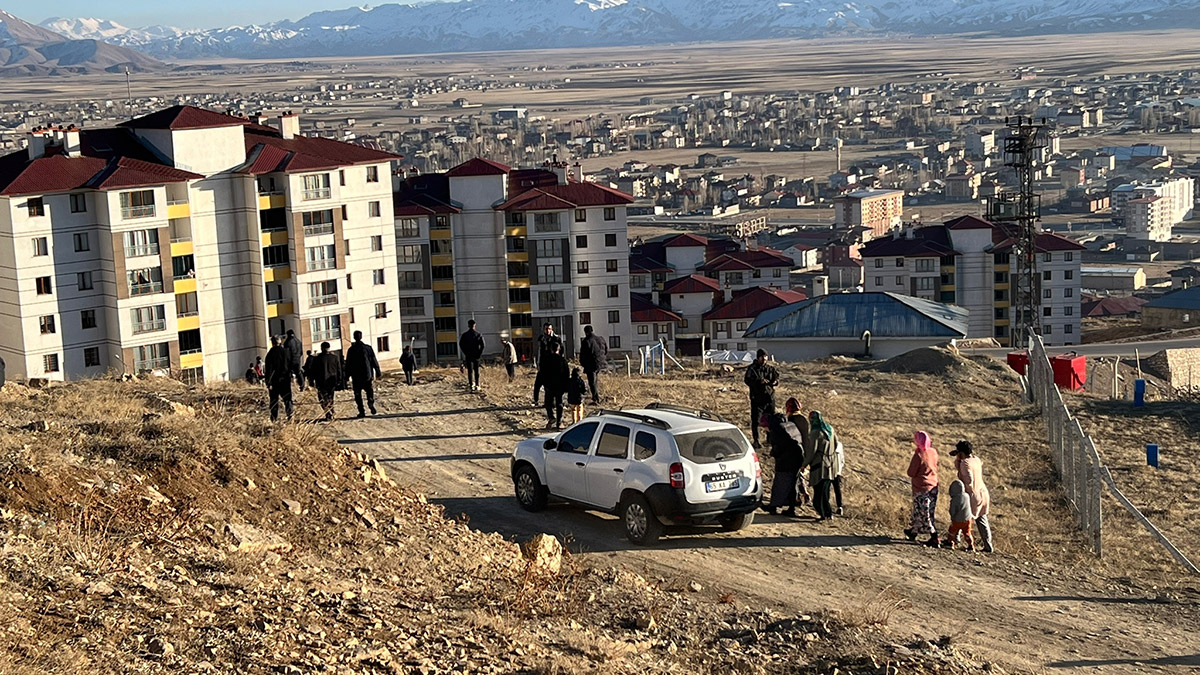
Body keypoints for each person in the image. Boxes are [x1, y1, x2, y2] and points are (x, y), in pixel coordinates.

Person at [952, 440, 993, 553]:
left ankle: (955, 539)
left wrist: (959, 463)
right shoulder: (976, 459)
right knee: (982, 519)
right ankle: (988, 544)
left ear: (961, 453)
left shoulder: (965, 463)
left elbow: (969, 480)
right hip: (983, 492)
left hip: (972, 495)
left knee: (962, 516)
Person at [762, 412, 806, 517]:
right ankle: (791, 508)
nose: (764, 429)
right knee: (792, 485)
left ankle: (773, 507)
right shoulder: (789, 425)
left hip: (786, 462)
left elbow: (779, 448)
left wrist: (773, 453)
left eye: (764, 426)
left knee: (780, 484)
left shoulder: (777, 431)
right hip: (798, 459)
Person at [905, 431, 940, 547]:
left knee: (923, 512)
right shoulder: (933, 452)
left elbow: (911, 472)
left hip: (921, 488)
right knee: (927, 511)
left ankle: (934, 536)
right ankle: (913, 531)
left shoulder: (919, 455)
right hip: (933, 486)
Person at [805, 410, 840, 521]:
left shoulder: (815, 432)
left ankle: (824, 514)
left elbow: (812, 451)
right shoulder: (830, 429)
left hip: (819, 467)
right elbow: (836, 445)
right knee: (825, 492)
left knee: (818, 495)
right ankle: (828, 514)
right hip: (831, 466)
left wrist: (804, 464)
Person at [743, 349, 779, 449]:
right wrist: (759, 382)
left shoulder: (770, 369)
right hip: (757, 399)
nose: (764, 359)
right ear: (758, 358)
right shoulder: (752, 369)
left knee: (771, 420)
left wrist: (774, 382)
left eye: (765, 357)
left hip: (769, 398)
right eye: (762, 357)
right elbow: (747, 380)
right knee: (756, 421)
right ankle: (756, 440)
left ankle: (769, 439)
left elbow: (776, 378)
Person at [345, 330, 381, 418]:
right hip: (367, 375)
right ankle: (370, 401)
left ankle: (361, 411)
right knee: (369, 391)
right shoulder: (368, 348)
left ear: (354, 337)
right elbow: (373, 360)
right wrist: (377, 371)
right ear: (361, 337)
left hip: (356, 376)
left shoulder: (351, 350)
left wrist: (346, 376)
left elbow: (348, 364)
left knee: (358, 395)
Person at [783, 397, 811, 507]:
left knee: (795, 476)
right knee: (800, 475)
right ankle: (803, 494)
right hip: (805, 450)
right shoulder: (804, 419)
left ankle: (799, 496)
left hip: (795, 451)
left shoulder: (791, 420)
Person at [536, 344, 570, 429]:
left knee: (548, 403)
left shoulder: (546, 360)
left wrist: (541, 384)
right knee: (559, 404)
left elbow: (541, 373)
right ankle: (559, 422)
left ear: (551, 349)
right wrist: (566, 385)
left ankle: (551, 417)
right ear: (559, 349)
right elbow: (567, 374)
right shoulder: (563, 360)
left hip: (549, 386)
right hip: (560, 386)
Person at [263, 336, 293, 422]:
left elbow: (268, 370)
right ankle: (290, 416)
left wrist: (268, 383)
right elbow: (290, 365)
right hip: (285, 380)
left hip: (274, 381)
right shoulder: (286, 352)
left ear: (272, 343)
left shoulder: (269, 354)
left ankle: (274, 418)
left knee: (274, 400)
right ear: (280, 342)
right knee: (288, 399)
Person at [311, 342, 343, 421]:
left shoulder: (317, 358)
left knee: (322, 398)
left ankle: (328, 413)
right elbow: (339, 369)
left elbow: (313, 371)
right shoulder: (334, 358)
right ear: (329, 348)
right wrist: (339, 379)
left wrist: (311, 381)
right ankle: (331, 410)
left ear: (321, 348)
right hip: (332, 381)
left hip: (321, 382)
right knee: (330, 397)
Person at [578, 325, 608, 405]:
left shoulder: (586, 341)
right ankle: (596, 397)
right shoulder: (600, 339)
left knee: (592, 382)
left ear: (586, 332)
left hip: (591, 364)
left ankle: (596, 399)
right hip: (600, 363)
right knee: (595, 381)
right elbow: (606, 350)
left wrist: (583, 363)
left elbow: (583, 354)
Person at [942, 480, 974, 551]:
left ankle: (950, 543)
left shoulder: (955, 499)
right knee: (967, 533)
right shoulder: (967, 496)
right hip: (968, 519)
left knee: (952, 531)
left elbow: (952, 510)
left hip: (958, 520)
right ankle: (971, 545)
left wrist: (952, 517)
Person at [459, 319, 485, 392]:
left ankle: (471, 385)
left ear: (468, 325)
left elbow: (461, 345)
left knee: (470, 371)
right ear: (475, 325)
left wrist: (465, 352)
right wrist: (479, 353)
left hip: (468, 355)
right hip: (476, 355)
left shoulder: (465, 335)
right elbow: (483, 345)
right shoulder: (478, 334)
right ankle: (477, 384)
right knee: (476, 370)